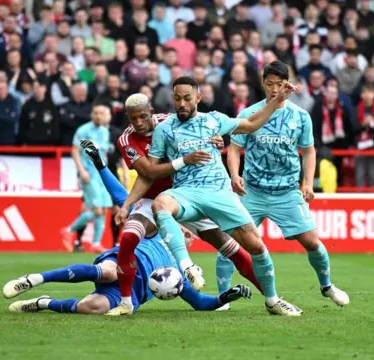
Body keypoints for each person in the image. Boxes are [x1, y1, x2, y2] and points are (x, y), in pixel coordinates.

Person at [119, 73, 302, 316]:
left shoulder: (214, 120)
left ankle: (273, 300)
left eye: (187, 98)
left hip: (219, 193)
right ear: (172, 99)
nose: (182, 104)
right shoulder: (164, 130)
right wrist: (128, 203)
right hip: (184, 193)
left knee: (255, 246)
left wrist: (277, 99)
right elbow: (149, 172)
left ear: (198, 97)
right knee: (160, 204)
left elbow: (251, 124)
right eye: (177, 98)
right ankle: (186, 267)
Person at [78, 98, 264, 313]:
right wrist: (127, 204)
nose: (138, 122)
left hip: (188, 195)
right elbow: (148, 173)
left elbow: (205, 129)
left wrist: (215, 140)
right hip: (153, 200)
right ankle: (126, 303)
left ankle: (271, 296)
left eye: (143, 116)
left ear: (151, 111)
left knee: (232, 249)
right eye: (133, 118)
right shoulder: (126, 139)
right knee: (128, 237)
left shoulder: (171, 122)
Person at [227, 61, 349, 307]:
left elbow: (309, 151)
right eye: (269, 83)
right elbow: (234, 148)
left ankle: (327, 286)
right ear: (262, 83)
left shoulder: (300, 116)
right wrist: (234, 174)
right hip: (252, 192)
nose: (274, 89)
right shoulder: (248, 114)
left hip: (287, 192)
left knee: (313, 242)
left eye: (279, 84)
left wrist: (308, 183)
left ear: (288, 84)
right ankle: (223, 297)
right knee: (230, 242)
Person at [2, 236, 252, 315]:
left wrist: (227, 296)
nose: (187, 235)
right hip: (125, 261)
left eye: (190, 235)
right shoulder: (155, 227)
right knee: (109, 271)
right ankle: (35, 278)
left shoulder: (178, 272)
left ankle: (42, 302)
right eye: (185, 229)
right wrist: (101, 165)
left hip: (132, 292)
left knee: (93, 307)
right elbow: (123, 197)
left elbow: (199, 303)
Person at [61, 104, 113, 253]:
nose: (98, 116)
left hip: (101, 173)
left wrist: (106, 173)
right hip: (88, 174)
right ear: (91, 115)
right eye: (95, 113)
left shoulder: (104, 132)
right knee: (96, 210)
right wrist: (81, 170)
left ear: (105, 116)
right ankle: (69, 230)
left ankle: (96, 243)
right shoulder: (83, 130)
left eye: (101, 113)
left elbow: (103, 154)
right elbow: (75, 151)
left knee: (103, 209)